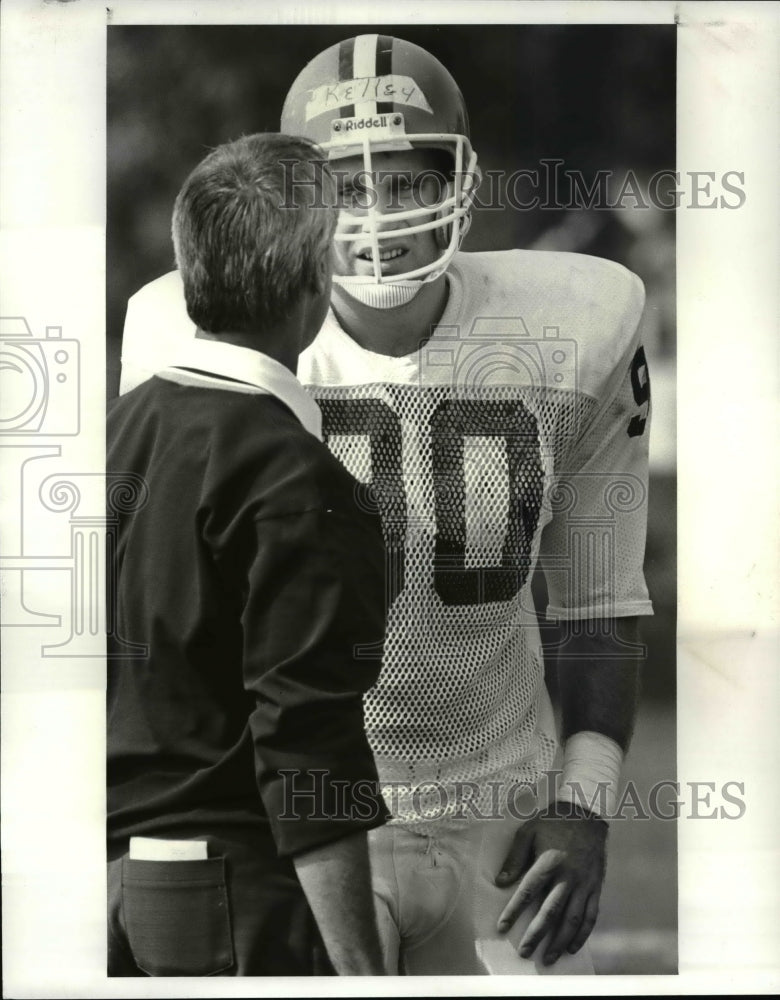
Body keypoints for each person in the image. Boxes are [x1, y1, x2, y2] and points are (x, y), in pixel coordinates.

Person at [119, 35, 654, 976]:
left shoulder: (580, 321)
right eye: (344, 190)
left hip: (501, 816)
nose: (377, 217)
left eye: (406, 181)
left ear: (463, 178)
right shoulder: (184, 326)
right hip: (297, 826)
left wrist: (587, 799)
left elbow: (597, 599)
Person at [107, 132, 391, 977]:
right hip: (225, 893)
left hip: (95, 888)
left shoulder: (106, 437)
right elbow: (308, 745)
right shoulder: (297, 477)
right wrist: (363, 972)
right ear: (314, 282)